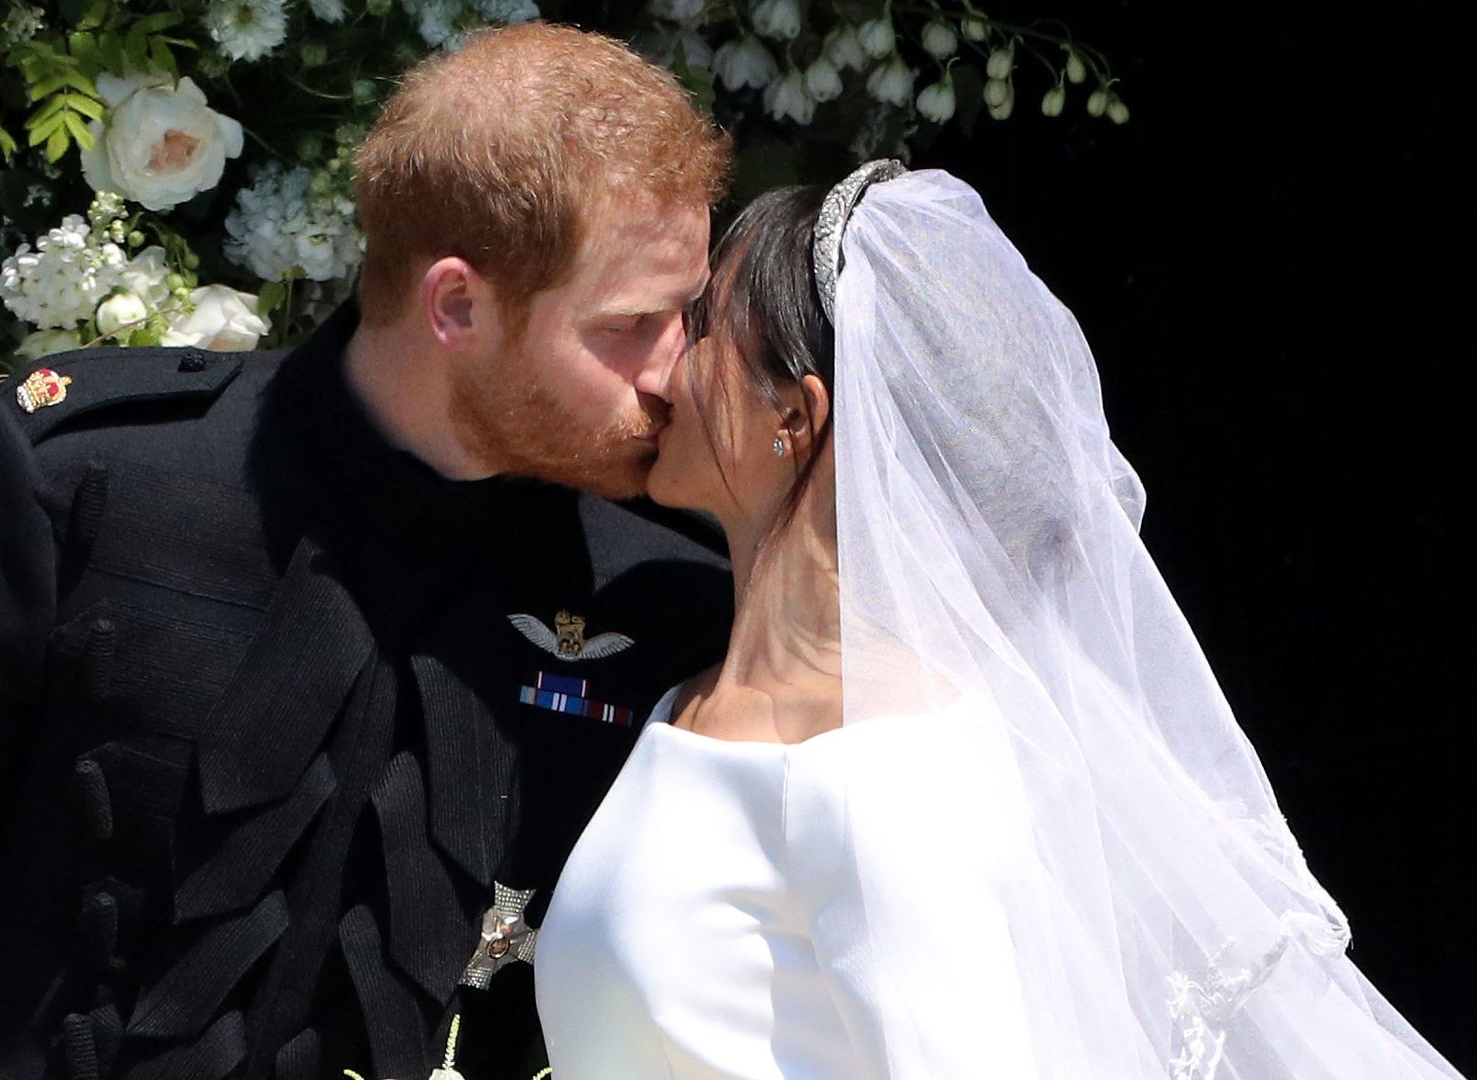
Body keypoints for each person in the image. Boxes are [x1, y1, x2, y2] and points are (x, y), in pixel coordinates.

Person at [0, 24, 735, 1080]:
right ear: (457, 304)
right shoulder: (84, 481)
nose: (678, 372)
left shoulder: (662, 593)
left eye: (689, 313)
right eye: (633, 325)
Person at [532, 164, 1465, 1078]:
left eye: (699, 326)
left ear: (795, 416)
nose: (661, 363)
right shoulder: (686, 696)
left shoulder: (888, 776)